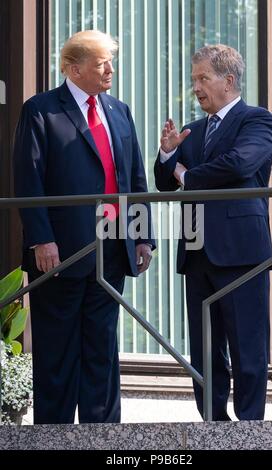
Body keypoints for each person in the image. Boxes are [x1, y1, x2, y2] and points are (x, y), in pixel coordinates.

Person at [14, 30, 155, 424]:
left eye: (111, 61)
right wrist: (42, 239)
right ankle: (52, 439)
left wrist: (142, 237)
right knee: (56, 351)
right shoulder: (41, 110)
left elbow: (134, 179)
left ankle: (104, 436)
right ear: (74, 68)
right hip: (60, 252)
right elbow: (29, 181)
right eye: (101, 63)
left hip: (112, 247)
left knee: (102, 348)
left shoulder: (119, 110)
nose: (110, 69)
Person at [154, 44, 272, 421]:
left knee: (247, 346)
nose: (197, 87)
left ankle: (250, 428)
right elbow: (164, 184)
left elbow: (240, 164)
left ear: (229, 80)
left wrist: (186, 174)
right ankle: (212, 423)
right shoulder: (194, 130)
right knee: (205, 349)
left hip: (242, 253)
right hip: (197, 250)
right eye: (194, 80)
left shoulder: (257, 120)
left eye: (203, 78)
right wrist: (167, 155)